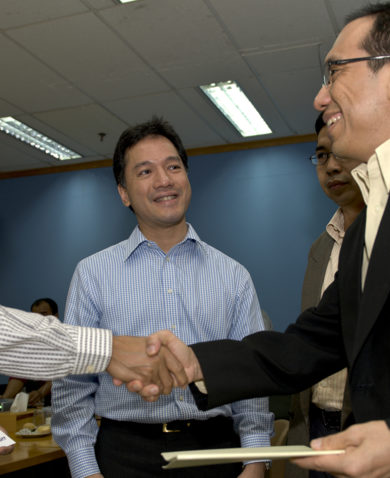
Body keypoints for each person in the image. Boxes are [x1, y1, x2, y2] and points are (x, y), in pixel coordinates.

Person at [140, 3, 390, 477]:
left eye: (334, 71)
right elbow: (311, 343)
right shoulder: (368, 223)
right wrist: (196, 363)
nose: (320, 97)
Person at [51, 117, 273, 478]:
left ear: (186, 177)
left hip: (215, 452)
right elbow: (72, 382)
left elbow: (250, 379)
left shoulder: (234, 276)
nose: (164, 180)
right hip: (125, 455)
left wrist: (255, 460)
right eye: (145, 171)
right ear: (123, 193)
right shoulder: (93, 274)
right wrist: (84, 467)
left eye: (173, 166)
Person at [285, 115, 364, 478]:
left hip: (367, 431)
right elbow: (313, 341)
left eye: (340, 153)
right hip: (315, 426)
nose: (331, 166)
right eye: (321, 155)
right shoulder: (320, 249)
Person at [1, 298, 60, 407]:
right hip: (40, 405)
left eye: (43, 314)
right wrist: (5, 399)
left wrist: (41, 392)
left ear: (55, 317)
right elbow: (19, 375)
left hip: (63, 401)